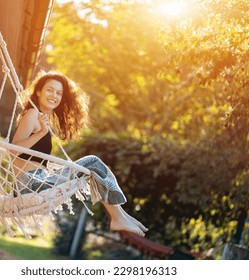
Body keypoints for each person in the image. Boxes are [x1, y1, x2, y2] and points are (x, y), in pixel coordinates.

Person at [11, 70, 148, 236]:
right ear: (38, 92)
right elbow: (13, 150)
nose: (54, 95)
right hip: (30, 185)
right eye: (49, 90)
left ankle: (120, 216)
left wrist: (43, 130)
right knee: (93, 162)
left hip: (39, 181)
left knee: (94, 167)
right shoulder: (32, 114)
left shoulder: (41, 119)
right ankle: (118, 217)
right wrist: (41, 133)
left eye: (59, 93)